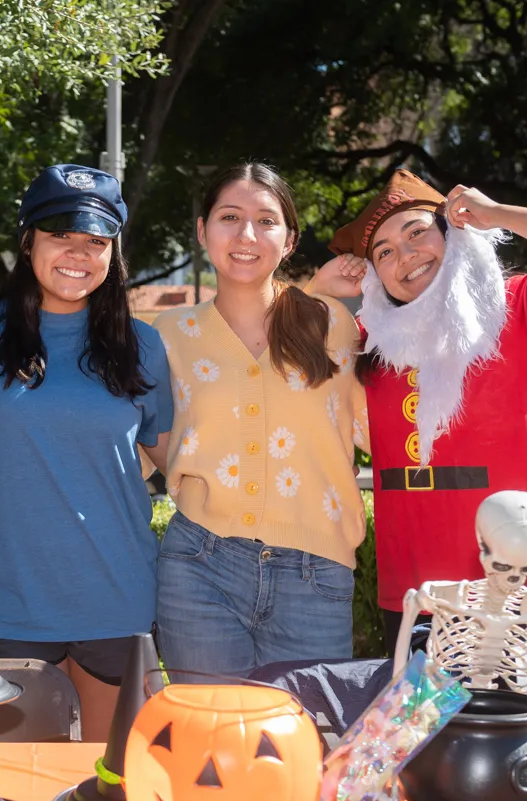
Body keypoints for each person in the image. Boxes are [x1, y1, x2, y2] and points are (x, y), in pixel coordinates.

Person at [308, 169, 527, 640]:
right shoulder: (370, 347)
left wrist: (496, 214)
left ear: (454, 235)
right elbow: (283, 369)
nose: (406, 255)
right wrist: (316, 292)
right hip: (414, 599)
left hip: (518, 591)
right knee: (419, 719)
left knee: (522, 717)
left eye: (417, 233)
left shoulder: (519, 309)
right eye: (384, 253)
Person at [0, 164, 172, 738]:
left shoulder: (141, 345)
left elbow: (176, 463)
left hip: (117, 600)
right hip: (3, 602)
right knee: (13, 798)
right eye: (59, 234)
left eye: (96, 240)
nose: (78, 253)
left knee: (116, 795)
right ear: (28, 240)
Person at [149, 163, 371, 678]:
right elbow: (145, 437)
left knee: (301, 744)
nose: (246, 235)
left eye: (266, 221)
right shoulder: (167, 333)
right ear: (203, 230)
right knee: (209, 742)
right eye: (230, 216)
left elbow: (376, 427)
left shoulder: (332, 323)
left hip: (315, 572)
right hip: (198, 566)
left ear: (289, 239)